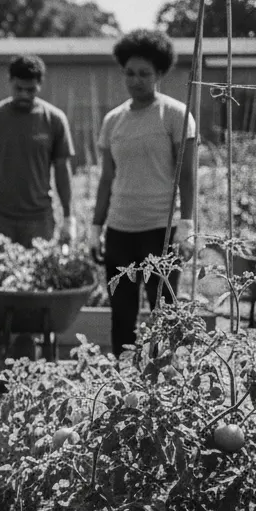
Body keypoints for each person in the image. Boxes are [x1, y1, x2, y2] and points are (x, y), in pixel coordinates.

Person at [89, 29, 196, 356]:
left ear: (160, 74)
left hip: (159, 232)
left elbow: (187, 176)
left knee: (164, 310)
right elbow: (107, 179)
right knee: (122, 314)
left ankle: (167, 376)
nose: (135, 81)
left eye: (144, 74)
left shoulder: (175, 115)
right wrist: (96, 228)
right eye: (130, 73)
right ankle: (123, 379)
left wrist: (187, 225)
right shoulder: (113, 121)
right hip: (120, 229)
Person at [0, 54, 76, 251]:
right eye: (18, 89)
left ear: (40, 85)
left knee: (37, 276)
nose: (23, 94)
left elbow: (62, 171)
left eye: (30, 90)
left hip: (39, 218)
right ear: (9, 82)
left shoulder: (54, 119)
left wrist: (68, 217)